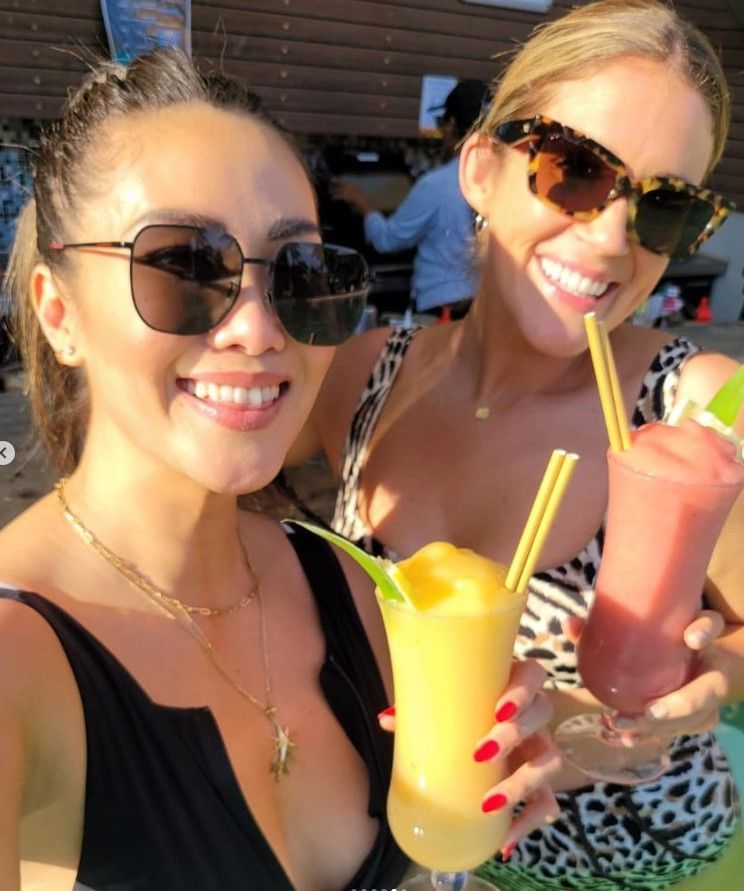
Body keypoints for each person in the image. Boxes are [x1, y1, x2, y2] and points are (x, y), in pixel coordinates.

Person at [0, 49, 560, 890]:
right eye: (185, 266)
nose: (260, 328)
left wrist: (485, 792)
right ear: (59, 312)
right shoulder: (15, 657)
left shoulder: (351, 584)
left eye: (299, 273)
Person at [289, 0, 744, 887]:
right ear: (481, 170)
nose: (610, 239)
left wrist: (712, 680)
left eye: (663, 209)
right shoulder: (363, 375)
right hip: (413, 845)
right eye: (575, 170)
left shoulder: (699, 412)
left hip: (637, 860)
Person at [331, 79, 490, 317]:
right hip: (482, 304)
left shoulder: (438, 184)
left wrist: (363, 204)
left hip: (441, 307)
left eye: (441, 124)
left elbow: (387, 240)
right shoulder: (500, 179)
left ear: (451, 125)